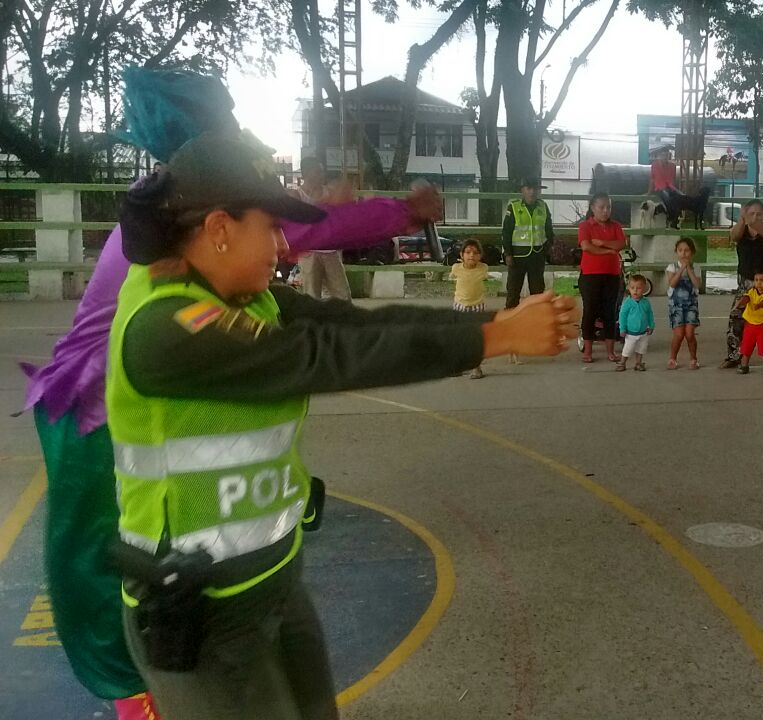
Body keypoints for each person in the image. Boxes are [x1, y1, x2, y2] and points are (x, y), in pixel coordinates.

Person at [21, 67, 452, 720]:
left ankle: (150, 692)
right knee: (111, 568)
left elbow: (290, 225)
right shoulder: (185, 217)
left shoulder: (174, 200)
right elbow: (300, 231)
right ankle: (144, 699)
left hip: (132, 401)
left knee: (129, 562)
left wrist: (337, 204)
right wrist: (400, 211)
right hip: (94, 410)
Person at [107, 131, 575, 720]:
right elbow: (324, 355)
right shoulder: (166, 325)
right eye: (271, 227)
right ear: (220, 229)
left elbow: (352, 327)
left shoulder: (248, 300)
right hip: (199, 608)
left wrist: (495, 318)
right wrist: (494, 339)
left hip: (273, 581)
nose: (284, 247)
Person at [721, 200, 763, 372]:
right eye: (752, 213)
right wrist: (742, 221)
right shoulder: (741, 231)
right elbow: (733, 236)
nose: (755, 217)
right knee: (736, 317)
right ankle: (735, 355)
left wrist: (755, 223)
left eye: (759, 214)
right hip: (748, 284)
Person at [292, 157, 351, 301]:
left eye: (322, 172)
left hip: (331, 250)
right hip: (309, 252)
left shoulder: (330, 192)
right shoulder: (297, 195)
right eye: (317, 171)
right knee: (311, 295)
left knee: (342, 294)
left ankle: (347, 321)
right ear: (306, 173)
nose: (321, 175)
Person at [577, 192, 625, 364]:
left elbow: (621, 244)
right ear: (593, 208)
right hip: (590, 275)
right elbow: (587, 247)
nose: (605, 211)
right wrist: (609, 251)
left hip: (611, 275)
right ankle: (588, 351)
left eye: (608, 207)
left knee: (609, 312)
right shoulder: (585, 226)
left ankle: (610, 351)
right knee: (590, 312)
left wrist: (602, 243)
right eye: (601, 207)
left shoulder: (616, 226)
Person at [502, 178, 556, 309]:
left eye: (535, 189)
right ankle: (510, 322)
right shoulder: (514, 207)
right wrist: (508, 254)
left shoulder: (543, 206)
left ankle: (535, 322)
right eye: (528, 188)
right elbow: (507, 232)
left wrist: (548, 249)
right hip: (517, 256)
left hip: (537, 256)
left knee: (537, 293)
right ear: (522, 190)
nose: (532, 192)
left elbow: (549, 229)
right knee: (513, 291)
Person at [450, 239, 491, 379]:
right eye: (467, 252)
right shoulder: (456, 268)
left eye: (475, 253)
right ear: (462, 255)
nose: (471, 256)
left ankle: (476, 367)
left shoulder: (483, 268)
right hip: (460, 305)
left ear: (480, 256)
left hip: (477, 306)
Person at [666, 238, 702, 369]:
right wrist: (681, 269)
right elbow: (672, 283)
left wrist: (689, 269)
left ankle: (693, 358)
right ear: (676, 252)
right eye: (680, 250)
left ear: (692, 252)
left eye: (687, 250)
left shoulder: (696, 267)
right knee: (679, 334)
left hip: (691, 305)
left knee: (689, 334)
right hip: (676, 305)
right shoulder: (672, 267)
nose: (683, 253)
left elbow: (697, 284)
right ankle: (673, 358)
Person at [736, 271, 763, 374]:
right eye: (756, 280)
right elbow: (746, 297)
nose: (759, 283)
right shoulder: (751, 291)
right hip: (749, 325)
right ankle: (744, 365)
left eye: (762, 280)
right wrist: (741, 302)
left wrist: (757, 305)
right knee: (746, 347)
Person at [617, 274, 655, 371]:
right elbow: (622, 316)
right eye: (632, 288)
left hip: (643, 332)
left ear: (644, 289)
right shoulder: (628, 303)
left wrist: (651, 325)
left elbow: (650, 314)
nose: (635, 290)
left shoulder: (646, 302)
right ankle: (622, 363)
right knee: (627, 349)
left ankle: (638, 363)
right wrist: (622, 328)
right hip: (630, 333)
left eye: (638, 288)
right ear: (628, 288)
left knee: (641, 349)